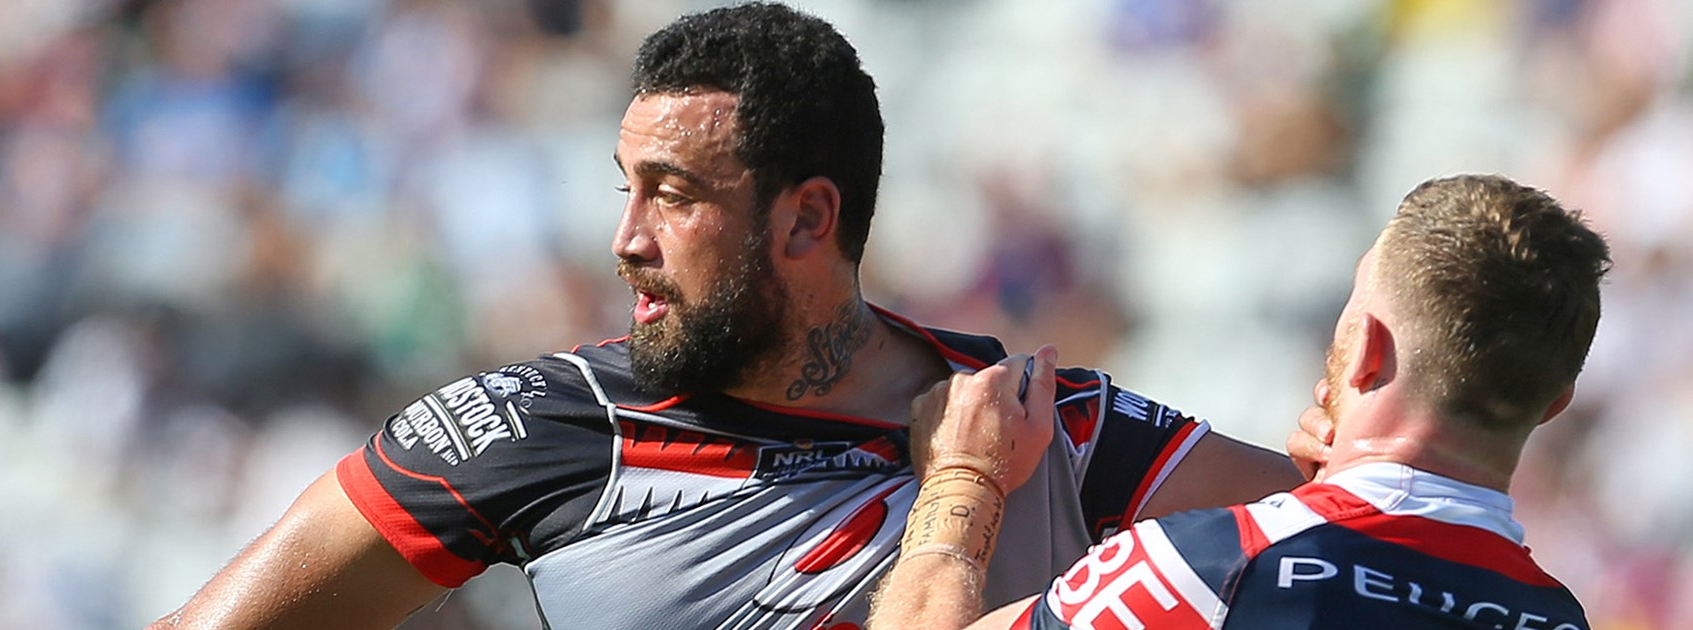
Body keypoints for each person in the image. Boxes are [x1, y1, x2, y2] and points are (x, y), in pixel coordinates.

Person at [150, 4, 1299, 629]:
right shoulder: (539, 425)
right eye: (625, 187)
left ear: (807, 219)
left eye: (674, 195)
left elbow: (1355, 522)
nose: (624, 239)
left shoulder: (1038, 426)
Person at [871, 174, 1609, 630]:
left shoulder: (1213, 568)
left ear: (1366, 350)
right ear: (1556, 403)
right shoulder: (1560, 618)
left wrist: (962, 479)